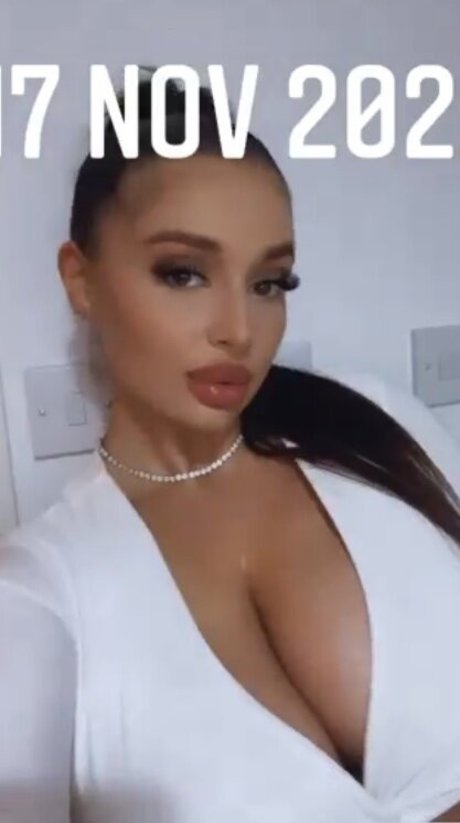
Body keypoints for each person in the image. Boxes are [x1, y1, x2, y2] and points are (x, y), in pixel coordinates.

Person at [1, 69, 460, 823]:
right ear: (81, 281)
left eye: (269, 282)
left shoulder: (378, 424)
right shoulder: (38, 591)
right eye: (183, 273)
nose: (240, 331)